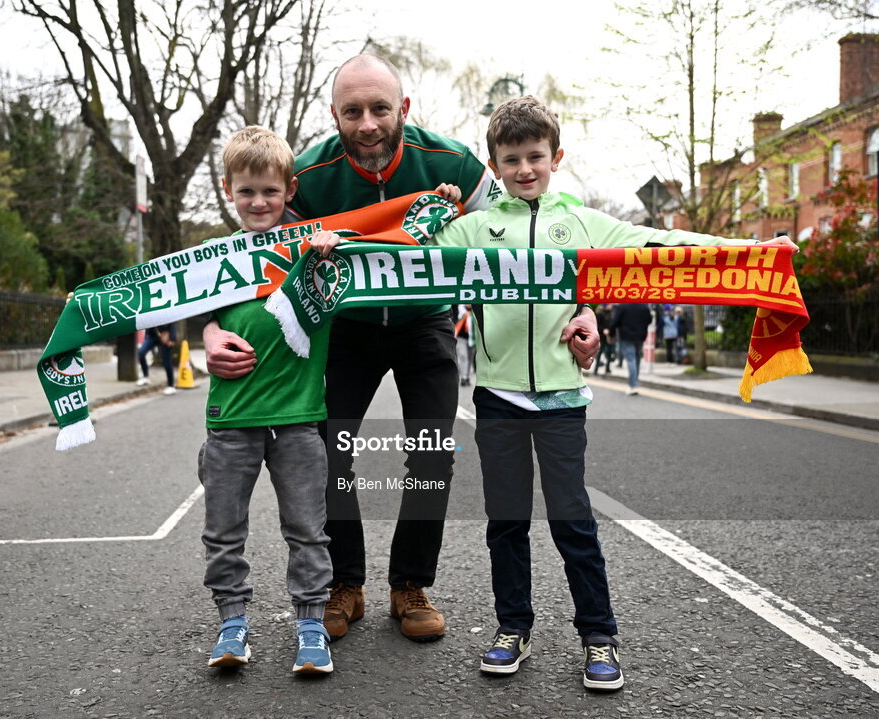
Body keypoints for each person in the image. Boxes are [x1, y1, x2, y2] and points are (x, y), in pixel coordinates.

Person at [313, 95, 797, 689]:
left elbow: (654, 244)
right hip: (497, 400)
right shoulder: (474, 228)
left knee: (574, 523)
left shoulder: (585, 222)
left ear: (556, 157)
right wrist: (343, 245)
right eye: (511, 159)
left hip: (563, 398)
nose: (524, 169)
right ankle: (511, 629)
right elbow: (406, 258)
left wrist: (751, 252)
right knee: (506, 524)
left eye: (535, 157)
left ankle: (599, 637)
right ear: (493, 167)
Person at [204, 54, 603, 644]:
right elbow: (250, 264)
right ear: (334, 115)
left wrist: (584, 308)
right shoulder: (306, 176)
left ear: (404, 110)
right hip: (345, 328)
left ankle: (410, 584)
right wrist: (211, 332)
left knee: (432, 454)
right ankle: (345, 583)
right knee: (328, 453)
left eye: (379, 109)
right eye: (353, 111)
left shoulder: (453, 163)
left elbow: (526, 238)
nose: (367, 123)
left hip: (424, 324)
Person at [198, 126, 341, 675]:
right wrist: (208, 336)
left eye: (271, 192)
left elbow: (367, 270)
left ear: (290, 189)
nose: (259, 203)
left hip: (299, 417)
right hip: (231, 416)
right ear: (228, 190)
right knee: (223, 529)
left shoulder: (315, 245)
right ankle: (231, 622)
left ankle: (311, 625)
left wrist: (327, 256)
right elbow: (192, 312)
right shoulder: (212, 256)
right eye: (246, 192)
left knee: (307, 528)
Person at [612, 303, 652, 395]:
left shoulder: (623, 306)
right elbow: (649, 320)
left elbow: (615, 321)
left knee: (631, 360)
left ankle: (633, 385)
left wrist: (611, 332)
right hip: (641, 336)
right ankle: (635, 382)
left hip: (626, 336)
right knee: (637, 359)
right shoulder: (644, 306)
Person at [136, 324, 177, 395]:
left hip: (165, 334)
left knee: (167, 360)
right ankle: (146, 376)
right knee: (141, 353)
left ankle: (171, 385)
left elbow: (172, 323)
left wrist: (172, 338)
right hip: (152, 335)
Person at [454, 304, 476, 386]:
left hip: (473, 339)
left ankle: (466, 376)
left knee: (470, 358)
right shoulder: (458, 309)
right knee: (463, 356)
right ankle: (463, 378)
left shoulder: (475, 310)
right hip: (460, 337)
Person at [593, 304, 615, 375]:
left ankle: (607, 368)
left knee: (609, 353)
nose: (611, 306)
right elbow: (597, 325)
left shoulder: (611, 313)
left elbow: (613, 324)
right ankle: (596, 369)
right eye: (610, 304)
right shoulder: (600, 313)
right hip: (602, 336)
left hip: (610, 336)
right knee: (600, 352)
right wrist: (603, 330)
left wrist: (611, 331)